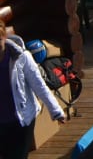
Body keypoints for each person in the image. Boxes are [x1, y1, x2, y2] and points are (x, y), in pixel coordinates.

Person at [0, 18, 66, 158]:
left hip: (22, 120)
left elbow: (39, 85)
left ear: (4, 37)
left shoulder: (22, 57)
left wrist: (56, 111)